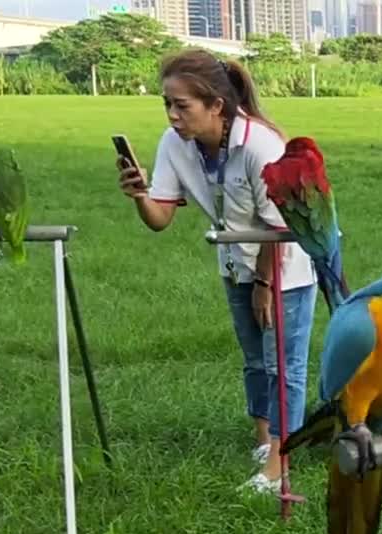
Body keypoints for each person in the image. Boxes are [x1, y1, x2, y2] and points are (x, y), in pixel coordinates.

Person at [116, 49, 319, 495]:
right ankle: (264, 442)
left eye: (181, 105)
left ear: (216, 106)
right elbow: (160, 218)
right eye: (167, 104)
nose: (172, 115)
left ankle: (280, 466)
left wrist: (265, 285)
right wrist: (138, 194)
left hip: (285, 267)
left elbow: (279, 226)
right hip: (234, 265)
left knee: (282, 365)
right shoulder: (174, 144)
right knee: (253, 360)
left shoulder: (261, 144)